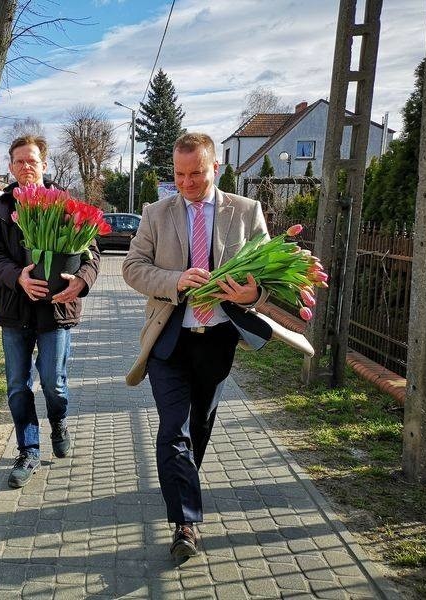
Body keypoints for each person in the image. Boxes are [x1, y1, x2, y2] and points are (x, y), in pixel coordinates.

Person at [122, 132, 269, 559]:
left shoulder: (246, 212)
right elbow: (132, 267)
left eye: (196, 174)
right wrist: (174, 281)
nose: (186, 182)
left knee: (199, 425)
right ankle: (185, 523)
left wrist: (251, 294)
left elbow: (269, 278)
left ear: (215, 168)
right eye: (179, 174)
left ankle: (184, 482)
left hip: (218, 339)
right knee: (173, 431)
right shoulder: (156, 213)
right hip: (169, 339)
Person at [0, 135, 100, 489]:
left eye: (31, 161)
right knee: (18, 386)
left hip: (56, 311)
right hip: (14, 310)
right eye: (18, 161)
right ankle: (28, 450)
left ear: (44, 164)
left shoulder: (66, 203)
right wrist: (17, 277)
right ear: (12, 167)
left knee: (53, 383)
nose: (25, 167)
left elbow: (91, 252)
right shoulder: (0, 208)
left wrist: (81, 281)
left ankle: (59, 421)